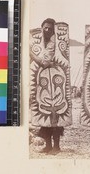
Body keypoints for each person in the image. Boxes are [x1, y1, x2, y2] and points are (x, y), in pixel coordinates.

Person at [30, 18, 65, 155]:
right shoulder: (38, 43)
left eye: (50, 28)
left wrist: (31, 54)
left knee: (56, 113)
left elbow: (45, 62)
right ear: (41, 28)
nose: (48, 30)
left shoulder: (53, 43)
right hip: (42, 82)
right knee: (44, 113)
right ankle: (48, 146)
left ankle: (56, 146)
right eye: (45, 27)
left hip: (55, 82)